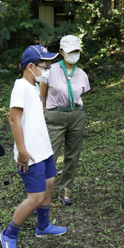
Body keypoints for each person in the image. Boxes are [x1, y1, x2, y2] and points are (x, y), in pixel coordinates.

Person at [0, 45, 68, 248]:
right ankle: (9, 235)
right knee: (36, 197)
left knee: (49, 184)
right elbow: (14, 119)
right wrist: (21, 151)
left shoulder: (34, 85)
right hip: (29, 154)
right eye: (45, 66)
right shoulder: (21, 87)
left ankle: (43, 226)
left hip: (43, 150)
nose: (48, 70)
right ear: (31, 67)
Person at [40, 35, 90, 205]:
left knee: (72, 155)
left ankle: (66, 191)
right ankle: (41, 191)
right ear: (61, 52)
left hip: (76, 115)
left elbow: (80, 95)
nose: (74, 54)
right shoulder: (51, 70)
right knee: (49, 155)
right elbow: (43, 93)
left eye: (76, 51)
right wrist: (44, 111)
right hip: (55, 115)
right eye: (70, 51)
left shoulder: (82, 74)